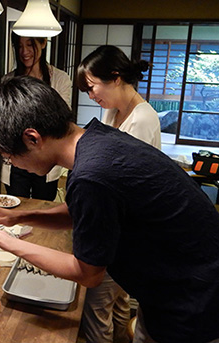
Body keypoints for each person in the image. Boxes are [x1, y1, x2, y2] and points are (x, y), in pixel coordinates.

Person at [0, 76, 219, 343]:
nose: (13, 165)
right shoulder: (95, 139)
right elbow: (84, 212)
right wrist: (17, 216)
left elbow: (88, 274)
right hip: (184, 292)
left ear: (32, 138)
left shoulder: (92, 175)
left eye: (9, 158)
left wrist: (2, 240)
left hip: (201, 310)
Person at [75, 45, 162, 342]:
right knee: (120, 300)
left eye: (92, 87)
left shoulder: (143, 118)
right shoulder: (114, 110)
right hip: (121, 225)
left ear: (114, 78)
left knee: (97, 308)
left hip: (127, 226)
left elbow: (119, 182)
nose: (91, 96)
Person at [1, 33, 72, 201]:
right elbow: (4, 121)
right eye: (19, 46)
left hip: (47, 158)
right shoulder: (9, 80)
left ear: (43, 43)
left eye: (30, 45)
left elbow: (62, 120)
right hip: (17, 158)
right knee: (16, 207)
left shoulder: (59, 79)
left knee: (43, 206)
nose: (24, 51)